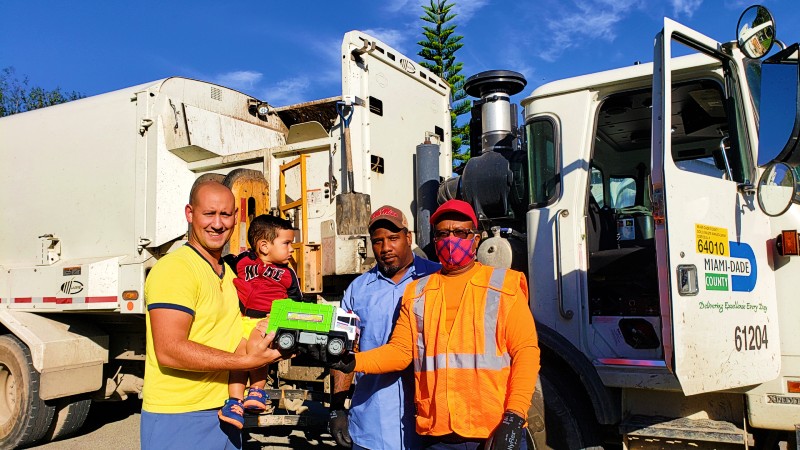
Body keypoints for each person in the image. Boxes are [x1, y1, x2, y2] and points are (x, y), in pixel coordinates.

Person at [332, 199, 540, 450]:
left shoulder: (503, 285)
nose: (451, 239)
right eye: (443, 233)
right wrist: (355, 362)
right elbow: (400, 352)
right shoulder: (418, 290)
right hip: (440, 435)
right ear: (435, 239)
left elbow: (526, 353)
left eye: (460, 232)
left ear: (476, 238)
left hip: (493, 430)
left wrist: (515, 415)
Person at [141, 180, 288, 450]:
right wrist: (246, 363)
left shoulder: (230, 273)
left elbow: (238, 331)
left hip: (225, 412)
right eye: (209, 214)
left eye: (225, 214)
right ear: (190, 213)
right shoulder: (175, 269)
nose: (218, 224)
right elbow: (169, 350)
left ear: (235, 218)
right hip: (180, 416)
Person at [328, 205, 441, 449]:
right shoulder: (357, 290)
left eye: (393, 238)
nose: (386, 248)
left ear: (408, 238)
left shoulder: (437, 279)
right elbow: (342, 352)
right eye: (377, 241)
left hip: (431, 426)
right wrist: (337, 408)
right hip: (372, 426)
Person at [219, 214, 304, 428]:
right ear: (264, 246)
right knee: (238, 356)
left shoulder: (287, 274)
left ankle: (257, 390)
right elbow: (220, 268)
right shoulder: (240, 261)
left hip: (265, 322)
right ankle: (234, 402)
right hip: (240, 320)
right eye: (286, 243)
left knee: (257, 349)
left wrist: (279, 320)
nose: (291, 249)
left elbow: (296, 302)